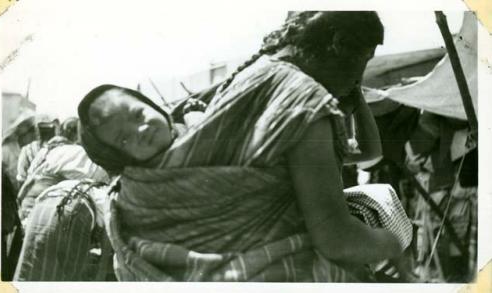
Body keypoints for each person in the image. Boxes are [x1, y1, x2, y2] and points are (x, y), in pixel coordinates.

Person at [78, 11, 411, 282]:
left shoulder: (253, 78)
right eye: (363, 60)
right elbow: (336, 239)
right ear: (339, 47)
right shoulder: (302, 100)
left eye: (139, 115)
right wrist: (394, 245)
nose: (360, 74)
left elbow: (368, 154)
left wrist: (351, 93)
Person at [14, 179, 115, 281]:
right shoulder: (113, 202)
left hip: (42, 206)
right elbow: (104, 261)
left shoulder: (92, 187)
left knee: (28, 272)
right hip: (75, 210)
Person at [17, 118, 108, 225]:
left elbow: (30, 180)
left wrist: (20, 199)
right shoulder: (90, 157)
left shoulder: (49, 151)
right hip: (63, 215)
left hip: (32, 209)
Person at [16, 115, 60, 187]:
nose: (46, 133)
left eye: (48, 130)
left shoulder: (60, 149)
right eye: (43, 129)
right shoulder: (28, 150)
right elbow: (21, 178)